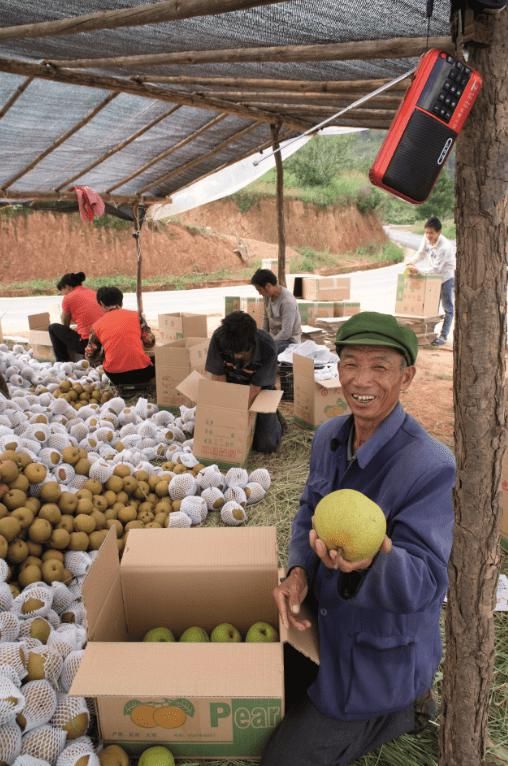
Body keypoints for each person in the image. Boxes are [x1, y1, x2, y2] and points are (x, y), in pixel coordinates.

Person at [262, 311, 455, 766]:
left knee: (283, 761)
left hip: (376, 654)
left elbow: (427, 582)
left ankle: (406, 707)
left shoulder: (429, 466)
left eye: (380, 367)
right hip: (324, 624)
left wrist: (375, 562)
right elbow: (309, 512)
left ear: (406, 376)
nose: (360, 380)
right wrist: (297, 572)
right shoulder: (330, 435)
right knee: (253, 684)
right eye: (350, 363)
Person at [205, 310, 282, 453]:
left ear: (251, 343)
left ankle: (274, 419)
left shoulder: (267, 347)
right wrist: (224, 412)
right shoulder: (219, 337)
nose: (235, 356)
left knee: (266, 445)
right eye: (231, 352)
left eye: (240, 352)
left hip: (259, 391)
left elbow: (255, 388)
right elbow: (218, 378)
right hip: (231, 386)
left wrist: (241, 418)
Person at [85, 286, 155, 386]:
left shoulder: (96, 326)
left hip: (116, 376)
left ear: (101, 303)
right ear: (121, 302)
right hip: (143, 373)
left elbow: (90, 355)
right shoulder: (136, 316)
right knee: (154, 359)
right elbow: (149, 342)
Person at [406, 216, 456, 346]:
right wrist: (411, 262)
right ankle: (428, 335)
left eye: (431, 233)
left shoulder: (445, 247)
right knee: (430, 307)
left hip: (445, 278)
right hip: (432, 277)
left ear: (439, 232)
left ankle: (443, 336)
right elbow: (421, 253)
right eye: (426, 232)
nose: (428, 235)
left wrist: (418, 271)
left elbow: (436, 269)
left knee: (448, 308)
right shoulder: (426, 238)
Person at [48, 272, 104, 361]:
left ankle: (63, 361)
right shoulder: (93, 293)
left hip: (88, 345)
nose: (64, 295)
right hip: (104, 341)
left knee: (53, 328)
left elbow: (65, 324)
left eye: (63, 292)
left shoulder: (68, 298)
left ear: (67, 287)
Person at [251, 268, 302, 353]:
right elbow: (266, 318)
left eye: (259, 289)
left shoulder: (287, 302)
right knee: (253, 343)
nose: (259, 293)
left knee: (265, 352)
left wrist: (268, 343)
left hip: (288, 341)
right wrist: (262, 337)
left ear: (268, 286)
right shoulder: (267, 296)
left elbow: (286, 333)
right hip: (273, 338)